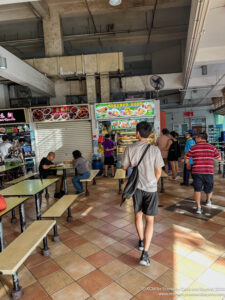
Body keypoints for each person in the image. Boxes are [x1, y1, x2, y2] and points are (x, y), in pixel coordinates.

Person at [122, 121, 164, 267]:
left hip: (136, 188)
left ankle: (140, 241)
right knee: (150, 220)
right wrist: (152, 182)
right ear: (150, 133)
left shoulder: (130, 148)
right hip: (151, 189)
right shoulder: (155, 150)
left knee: (138, 214)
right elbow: (158, 172)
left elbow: (124, 166)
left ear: (137, 133)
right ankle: (145, 254)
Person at [185, 132, 221, 214]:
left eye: (196, 137)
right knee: (209, 187)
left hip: (197, 171)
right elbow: (219, 158)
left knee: (197, 189)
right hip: (208, 171)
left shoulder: (193, 148)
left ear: (200, 138)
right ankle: (208, 201)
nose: (195, 139)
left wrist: (188, 164)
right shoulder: (212, 147)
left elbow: (187, 157)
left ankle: (198, 207)